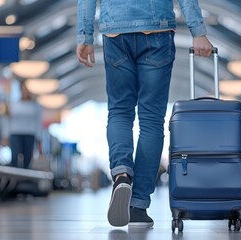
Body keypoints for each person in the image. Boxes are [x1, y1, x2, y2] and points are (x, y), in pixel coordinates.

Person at [76, 0, 213, 228]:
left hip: (115, 32)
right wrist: (198, 31)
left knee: (119, 112)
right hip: (157, 29)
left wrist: (84, 36)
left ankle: (121, 173)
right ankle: (138, 206)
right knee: (151, 122)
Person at [1, 81, 42, 169]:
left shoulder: (35, 106)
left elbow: (38, 122)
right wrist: (5, 136)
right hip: (15, 133)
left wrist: (39, 138)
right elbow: (7, 120)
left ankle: (25, 179)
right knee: (15, 156)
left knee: (27, 158)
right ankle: (14, 179)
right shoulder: (14, 105)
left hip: (29, 134)